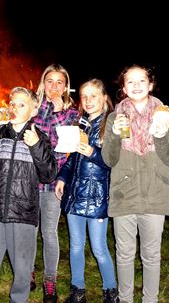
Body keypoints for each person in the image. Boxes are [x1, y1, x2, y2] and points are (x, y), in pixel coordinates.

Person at [0, 86, 57, 303]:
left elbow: (48, 174)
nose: (15, 108)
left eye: (22, 104)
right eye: (12, 103)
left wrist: (35, 146)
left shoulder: (39, 138)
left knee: (23, 270)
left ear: (34, 110)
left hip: (23, 215)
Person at [101, 64, 169, 303]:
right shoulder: (115, 117)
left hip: (155, 193)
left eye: (142, 81)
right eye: (130, 82)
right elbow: (109, 159)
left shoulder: (166, 115)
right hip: (124, 193)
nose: (136, 86)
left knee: (151, 255)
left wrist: (160, 134)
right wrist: (113, 135)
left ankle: (150, 300)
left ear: (151, 84)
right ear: (123, 87)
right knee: (124, 254)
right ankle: (125, 299)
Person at [54, 78, 119, 303]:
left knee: (100, 248)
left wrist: (92, 152)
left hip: (98, 196)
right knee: (75, 246)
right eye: (84, 96)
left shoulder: (110, 125)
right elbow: (72, 159)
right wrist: (62, 178)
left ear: (103, 98)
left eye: (93, 96)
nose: (89, 100)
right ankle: (77, 289)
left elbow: (112, 161)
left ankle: (111, 290)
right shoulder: (80, 124)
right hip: (75, 195)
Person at [32, 63, 80, 302]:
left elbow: (66, 148)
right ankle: (27, 270)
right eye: (49, 81)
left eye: (59, 82)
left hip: (53, 182)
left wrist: (60, 114)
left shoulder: (72, 113)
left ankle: (49, 280)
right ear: (43, 83)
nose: (54, 86)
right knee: (30, 229)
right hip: (29, 178)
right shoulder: (32, 106)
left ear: (66, 87)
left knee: (49, 232)